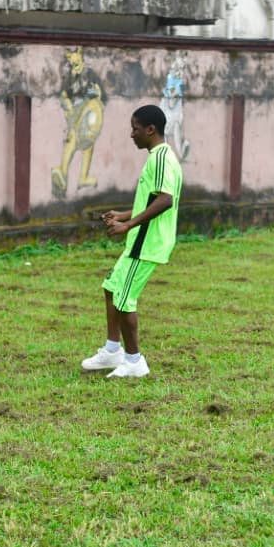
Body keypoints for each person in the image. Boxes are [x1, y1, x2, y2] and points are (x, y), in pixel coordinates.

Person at [80, 105, 182, 379]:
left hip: (147, 243)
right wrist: (124, 214)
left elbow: (165, 199)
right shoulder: (157, 157)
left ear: (150, 130)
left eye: (135, 129)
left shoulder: (161, 158)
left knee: (125, 300)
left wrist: (128, 225)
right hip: (140, 239)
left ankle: (135, 361)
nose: (131, 134)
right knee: (111, 288)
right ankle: (113, 350)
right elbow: (149, 200)